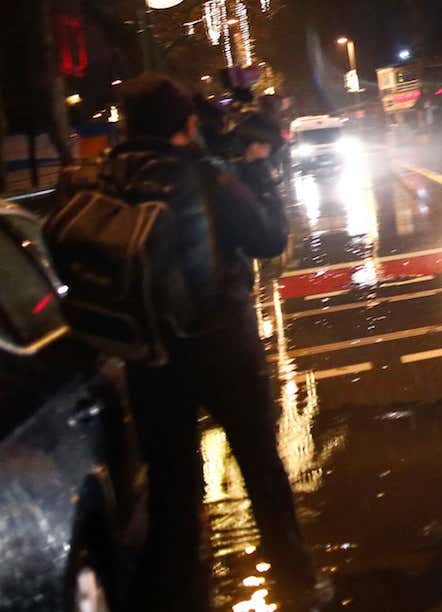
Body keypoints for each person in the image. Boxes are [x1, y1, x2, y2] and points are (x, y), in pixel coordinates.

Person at [58, 75, 328, 611]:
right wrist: (255, 168)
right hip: (222, 344)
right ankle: (296, 586)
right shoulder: (205, 177)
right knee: (261, 472)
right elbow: (269, 238)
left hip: (147, 353)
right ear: (185, 125)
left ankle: (179, 595)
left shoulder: (103, 180)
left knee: (172, 491)